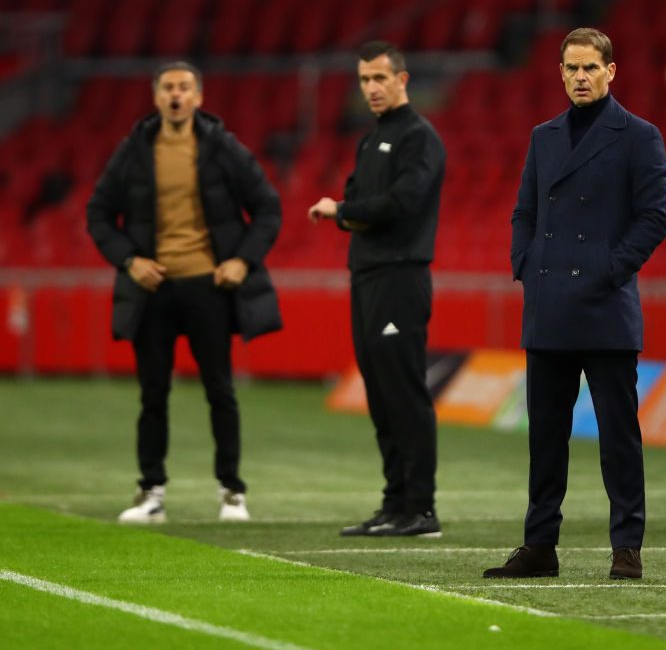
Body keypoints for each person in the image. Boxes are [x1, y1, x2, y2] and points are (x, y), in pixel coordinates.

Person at [483, 28, 666, 580]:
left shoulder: (639, 136)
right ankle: (539, 546)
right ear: (560, 73)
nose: (581, 77)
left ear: (611, 71)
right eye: (572, 68)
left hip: (605, 306)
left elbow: (654, 218)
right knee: (545, 438)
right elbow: (524, 211)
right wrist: (526, 262)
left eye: (590, 67)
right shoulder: (543, 137)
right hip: (548, 305)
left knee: (618, 438)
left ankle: (627, 547)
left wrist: (608, 270)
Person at [86, 61, 283, 524]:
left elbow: (268, 207)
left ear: (198, 97)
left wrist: (242, 260)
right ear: (156, 96)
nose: (176, 95)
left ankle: (232, 492)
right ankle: (151, 492)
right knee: (153, 394)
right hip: (152, 290)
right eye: (168, 88)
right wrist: (130, 260)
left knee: (220, 391)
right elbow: (98, 213)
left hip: (207, 288)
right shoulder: (134, 151)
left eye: (184, 87)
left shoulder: (223, 147)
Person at [308, 41, 445, 538]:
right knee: (382, 395)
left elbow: (401, 203)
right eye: (364, 79)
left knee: (404, 392)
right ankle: (394, 503)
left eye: (380, 78)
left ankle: (421, 509)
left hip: (400, 276)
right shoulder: (371, 140)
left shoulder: (418, 137)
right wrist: (350, 211)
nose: (371, 88)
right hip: (367, 275)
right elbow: (360, 201)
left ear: (402, 80)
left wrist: (343, 212)